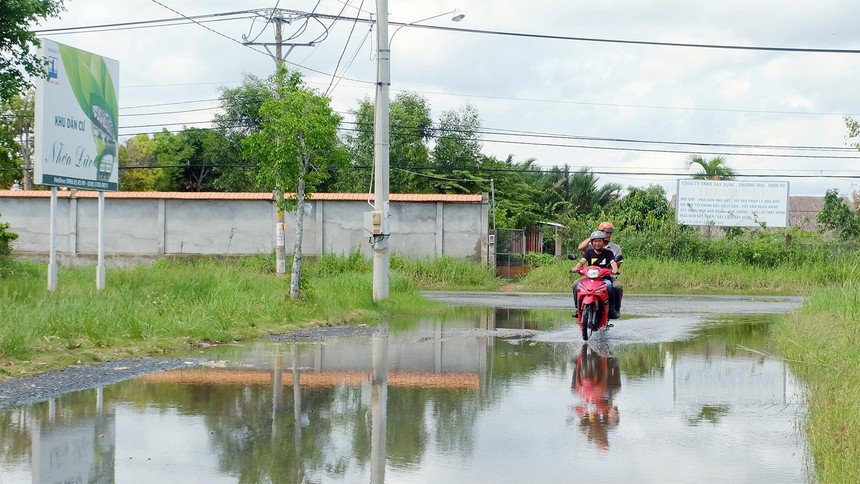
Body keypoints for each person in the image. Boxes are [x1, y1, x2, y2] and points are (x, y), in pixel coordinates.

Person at [577, 221, 623, 316]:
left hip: (606, 275)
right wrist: (593, 237)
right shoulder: (591, 247)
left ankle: (614, 308)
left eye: (610, 232)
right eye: (606, 232)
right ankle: (578, 308)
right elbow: (581, 251)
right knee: (576, 284)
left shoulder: (613, 249)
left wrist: (613, 269)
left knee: (616, 287)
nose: (608, 234)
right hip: (590, 275)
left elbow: (616, 264)